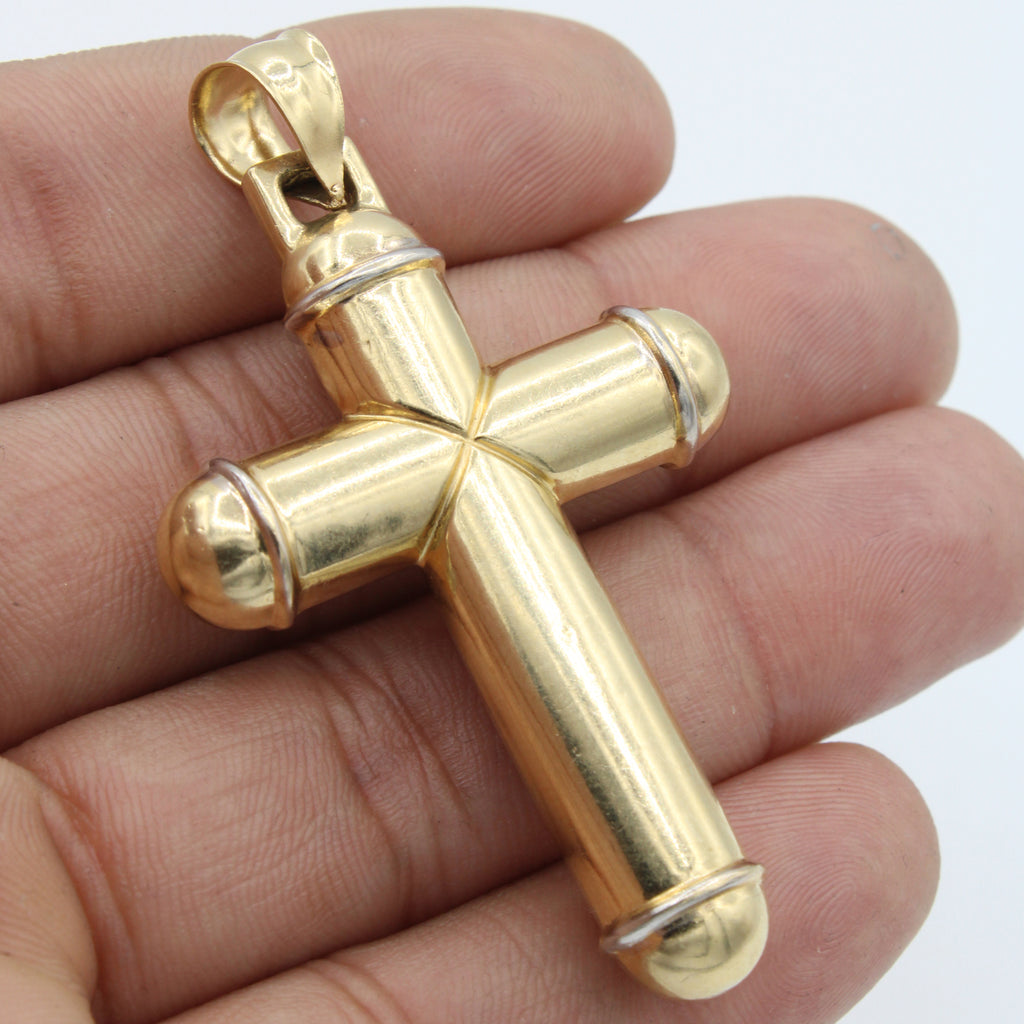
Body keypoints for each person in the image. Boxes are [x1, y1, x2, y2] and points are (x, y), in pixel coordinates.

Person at [1, 9, 1021, 1023]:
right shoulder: (473, 440)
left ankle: (676, 892)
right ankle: (676, 884)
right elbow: (668, 364)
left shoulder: (471, 442)